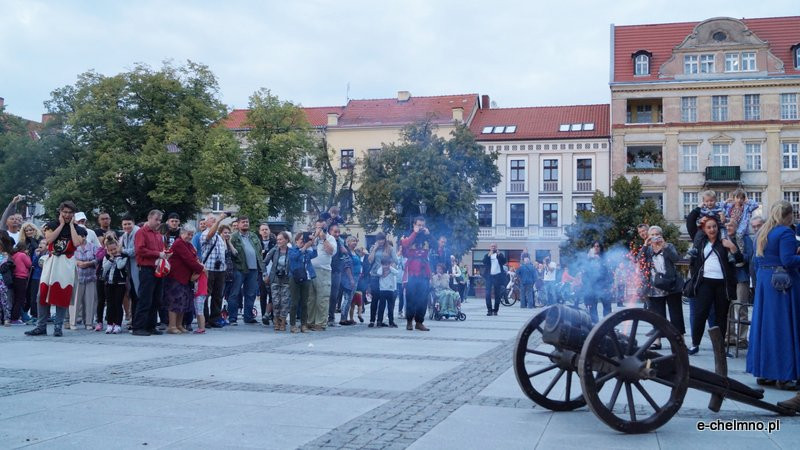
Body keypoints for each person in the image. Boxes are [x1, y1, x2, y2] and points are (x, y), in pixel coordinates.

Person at [748, 200, 800, 394]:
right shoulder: (785, 232)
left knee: (765, 327)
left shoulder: (763, 232)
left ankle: (765, 373)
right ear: (789, 215)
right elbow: (788, 260)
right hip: (781, 285)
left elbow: (757, 261)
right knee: (783, 328)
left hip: (765, 283)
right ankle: (784, 376)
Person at [26, 201, 87, 337]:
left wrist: (71, 226)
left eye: (70, 213)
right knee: (42, 294)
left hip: (67, 263)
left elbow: (77, 243)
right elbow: (49, 240)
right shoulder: (52, 225)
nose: (67, 215)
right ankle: (41, 326)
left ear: (73, 214)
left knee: (62, 294)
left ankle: (58, 327)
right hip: (52, 261)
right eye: (65, 212)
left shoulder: (79, 229)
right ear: (60, 212)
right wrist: (61, 225)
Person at [687, 216, 741, 355]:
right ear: (704, 230)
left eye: (714, 226)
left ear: (718, 228)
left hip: (722, 284)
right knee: (700, 314)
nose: (712, 229)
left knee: (721, 316)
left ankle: (720, 348)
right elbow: (693, 262)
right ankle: (695, 344)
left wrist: (732, 247)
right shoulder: (700, 242)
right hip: (705, 282)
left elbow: (740, 260)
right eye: (709, 227)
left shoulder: (725, 241)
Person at [642, 226, 685, 348]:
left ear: (661, 235)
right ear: (649, 236)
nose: (655, 236)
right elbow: (639, 260)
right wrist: (645, 245)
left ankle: (680, 341)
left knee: (676, 315)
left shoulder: (668, 246)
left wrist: (664, 246)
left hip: (671, 285)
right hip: (655, 287)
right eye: (652, 234)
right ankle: (657, 340)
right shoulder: (648, 249)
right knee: (658, 316)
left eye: (657, 234)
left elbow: (676, 259)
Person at [132, 209, 169, 336]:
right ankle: (138, 327)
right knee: (145, 298)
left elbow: (160, 250)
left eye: (160, 220)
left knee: (156, 299)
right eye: (156, 219)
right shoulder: (141, 232)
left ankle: (151, 326)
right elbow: (140, 250)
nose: (158, 222)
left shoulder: (158, 234)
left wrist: (164, 254)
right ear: (149, 218)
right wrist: (158, 254)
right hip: (146, 268)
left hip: (157, 268)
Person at [164, 224, 203, 334]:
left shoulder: (189, 245)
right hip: (176, 277)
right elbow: (189, 259)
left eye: (191, 235)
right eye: (188, 234)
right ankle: (172, 326)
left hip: (185, 278)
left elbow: (194, 258)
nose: (190, 237)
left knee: (183, 302)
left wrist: (198, 266)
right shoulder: (178, 243)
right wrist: (202, 269)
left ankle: (179, 325)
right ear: (182, 233)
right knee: (174, 301)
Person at [228, 215, 264, 325]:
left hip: (253, 269)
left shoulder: (253, 236)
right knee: (235, 294)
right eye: (243, 222)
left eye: (247, 222)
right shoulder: (233, 237)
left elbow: (259, 250)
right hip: (239, 268)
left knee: (251, 294)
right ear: (238, 224)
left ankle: (248, 317)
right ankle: (232, 318)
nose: (245, 224)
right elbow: (230, 252)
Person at [400, 216, 433, 331]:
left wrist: (429, 235)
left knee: (423, 299)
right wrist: (414, 233)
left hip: (424, 271)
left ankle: (419, 322)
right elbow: (405, 244)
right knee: (410, 298)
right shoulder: (407, 234)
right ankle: (409, 321)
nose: (421, 227)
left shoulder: (427, 236)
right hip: (412, 271)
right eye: (419, 225)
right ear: (414, 225)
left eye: (422, 225)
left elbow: (436, 246)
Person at [725, 219, 753, 347]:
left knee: (741, 308)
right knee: (727, 309)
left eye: (730, 225)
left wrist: (734, 250)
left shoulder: (744, 239)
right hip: (727, 279)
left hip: (741, 277)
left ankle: (742, 339)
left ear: (736, 226)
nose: (728, 227)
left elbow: (749, 257)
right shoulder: (722, 239)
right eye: (726, 225)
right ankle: (729, 337)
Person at [200, 213, 228, 328]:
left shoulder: (219, 236)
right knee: (206, 295)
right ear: (206, 222)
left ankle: (215, 318)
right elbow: (209, 235)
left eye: (214, 219)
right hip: (208, 269)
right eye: (211, 219)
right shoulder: (205, 233)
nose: (214, 220)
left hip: (220, 269)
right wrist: (219, 219)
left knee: (218, 295)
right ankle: (205, 319)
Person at [309, 219, 336, 331]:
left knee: (322, 298)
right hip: (310, 270)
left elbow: (331, 251)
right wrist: (313, 239)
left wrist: (323, 239)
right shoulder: (312, 238)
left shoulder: (330, 238)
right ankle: (310, 322)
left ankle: (320, 323)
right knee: (310, 299)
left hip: (323, 271)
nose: (319, 230)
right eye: (317, 227)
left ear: (326, 228)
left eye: (322, 228)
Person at [71, 229, 99, 330]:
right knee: (75, 300)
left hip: (91, 276)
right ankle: (72, 322)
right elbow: (69, 258)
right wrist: (77, 262)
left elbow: (98, 259)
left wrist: (89, 263)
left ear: (84, 236)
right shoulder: (73, 247)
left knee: (90, 300)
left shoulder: (93, 246)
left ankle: (89, 323)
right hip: (77, 276)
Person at [367, 232, 397, 327]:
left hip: (385, 276)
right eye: (379, 239)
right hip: (375, 275)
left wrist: (389, 269)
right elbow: (370, 260)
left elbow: (395, 260)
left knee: (384, 299)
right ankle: (372, 320)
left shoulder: (390, 248)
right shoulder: (373, 248)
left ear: (385, 239)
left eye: (382, 239)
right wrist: (374, 249)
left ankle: (380, 320)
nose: (381, 241)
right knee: (375, 298)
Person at [289, 231, 316, 333]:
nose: (303, 242)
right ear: (296, 241)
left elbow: (315, 254)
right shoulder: (292, 250)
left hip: (306, 277)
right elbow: (294, 257)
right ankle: (292, 325)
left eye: (304, 240)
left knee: (305, 303)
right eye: (301, 240)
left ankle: (303, 324)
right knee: (294, 302)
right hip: (295, 277)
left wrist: (313, 244)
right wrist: (304, 248)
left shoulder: (307, 252)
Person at [264, 231, 291, 331]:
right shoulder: (274, 250)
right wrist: (265, 274)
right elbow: (264, 262)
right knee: (275, 301)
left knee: (285, 302)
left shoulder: (291, 251)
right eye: (278, 239)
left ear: (286, 240)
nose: (278, 241)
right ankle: (276, 321)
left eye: (281, 239)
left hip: (287, 279)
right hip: (275, 279)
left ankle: (282, 321)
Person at [100, 236, 128, 334]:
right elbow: (104, 268)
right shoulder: (107, 257)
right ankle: (109, 324)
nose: (113, 251)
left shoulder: (123, 256)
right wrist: (111, 259)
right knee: (110, 304)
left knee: (118, 304)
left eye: (115, 249)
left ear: (118, 247)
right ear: (107, 250)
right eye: (110, 250)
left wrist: (118, 256)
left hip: (120, 283)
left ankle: (118, 324)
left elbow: (120, 266)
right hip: (109, 283)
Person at [582, 242, 613, 322]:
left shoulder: (604, 259)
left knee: (607, 307)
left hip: (604, 286)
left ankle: (607, 324)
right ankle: (595, 325)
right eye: (594, 246)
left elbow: (609, 272)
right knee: (592, 308)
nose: (596, 248)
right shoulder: (588, 259)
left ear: (600, 248)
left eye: (598, 246)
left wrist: (610, 285)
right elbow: (584, 274)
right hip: (592, 286)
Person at [120, 215, 139, 327]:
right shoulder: (125, 235)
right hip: (130, 269)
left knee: (138, 294)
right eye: (124, 224)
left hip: (138, 268)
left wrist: (121, 250)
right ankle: (133, 319)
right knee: (133, 294)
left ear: (133, 223)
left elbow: (135, 251)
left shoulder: (137, 233)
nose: (127, 226)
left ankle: (137, 320)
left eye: (129, 224)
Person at [9, 240, 32, 324]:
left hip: (15, 278)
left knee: (16, 298)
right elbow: (29, 264)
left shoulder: (14, 255)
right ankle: (15, 318)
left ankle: (13, 316)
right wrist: (27, 255)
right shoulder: (22, 255)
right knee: (20, 299)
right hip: (21, 278)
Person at [339, 236, 361, 326]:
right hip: (349, 277)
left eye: (355, 241)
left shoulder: (355, 252)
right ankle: (343, 319)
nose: (355, 242)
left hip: (356, 277)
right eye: (352, 241)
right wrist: (351, 279)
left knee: (350, 299)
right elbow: (347, 266)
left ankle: (346, 318)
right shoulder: (347, 253)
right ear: (348, 242)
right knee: (347, 298)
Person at [375, 256, 400, 327]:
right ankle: (379, 321)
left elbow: (397, 272)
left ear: (390, 264)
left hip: (390, 290)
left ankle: (391, 322)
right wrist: (383, 268)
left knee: (390, 307)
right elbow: (379, 273)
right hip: (382, 290)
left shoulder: (391, 269)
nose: (385, 266)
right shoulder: (380, 269)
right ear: (381, 264)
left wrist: (390, 268)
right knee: (381, 307)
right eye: (384, 264)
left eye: (387, 264)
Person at [258, 223, 275, 325]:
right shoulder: (257, 243)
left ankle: (272, 315)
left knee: (273, 294)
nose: (264, 231)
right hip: (261, 271)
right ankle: (264, 316)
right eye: (262, 230)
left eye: (266, 229)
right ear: (260, 232)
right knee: (263, 294)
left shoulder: (274, 243)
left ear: (269, 231)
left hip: (273, 271)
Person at [482, 243, 506, 316]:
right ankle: (489, 310)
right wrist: (488, 255)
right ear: (490, 247)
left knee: (497, 294)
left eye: (494, 246)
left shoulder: (499, 254)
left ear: (496, 247)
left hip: (497, 276)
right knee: (487, 294)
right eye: (492, 246)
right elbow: (484, 262)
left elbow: (504, 262)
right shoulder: (487, 255)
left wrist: (499, 255)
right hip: (489, 277)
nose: (493, 247)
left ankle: (495, 310)